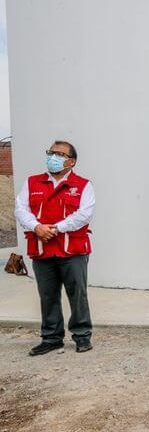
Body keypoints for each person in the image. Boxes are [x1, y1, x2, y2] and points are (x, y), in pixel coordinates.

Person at [15, 141, 95, 355]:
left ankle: (82, 336)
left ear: (71, 161)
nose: (53, 156)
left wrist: (56, 228)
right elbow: (21, 209)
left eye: (59, 154)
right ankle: (51, 338)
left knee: (77, 293)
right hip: (42, 248)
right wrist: (36, 226)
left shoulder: (83, 185)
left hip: (72, 250)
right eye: (51, 152)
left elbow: (84, 215)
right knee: (47, 294)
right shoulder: (32, 182)